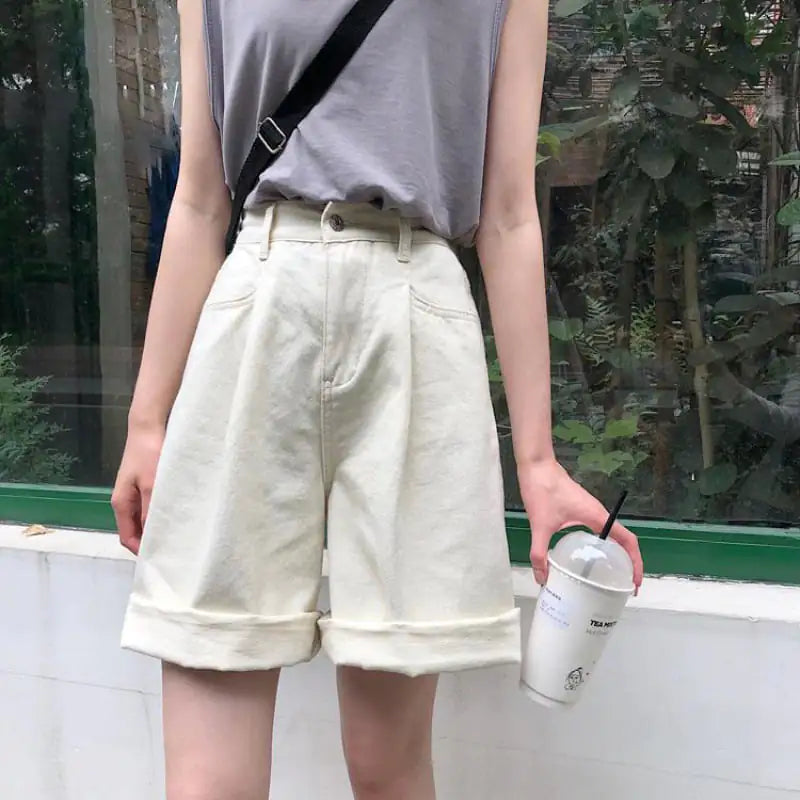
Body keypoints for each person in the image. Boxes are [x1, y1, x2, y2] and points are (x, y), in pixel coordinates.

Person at [112, 0, 644, 797]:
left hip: (416, 310)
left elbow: (507, 214)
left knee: (388, 770)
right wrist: (147, 420)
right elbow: (198, 201)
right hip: (259, 292)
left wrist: (536, 459)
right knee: (207, 780)